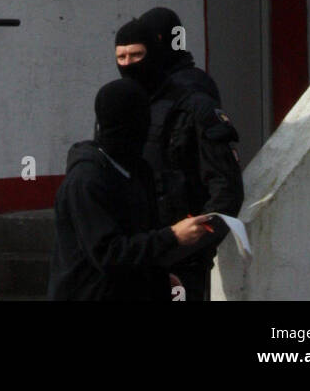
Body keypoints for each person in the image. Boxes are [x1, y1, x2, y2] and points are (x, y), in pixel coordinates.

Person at [116, 12, 244, 302]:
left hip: (182, 256)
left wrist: (194, 246)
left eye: (136, 55)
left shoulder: (193, 102)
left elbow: (226, 190)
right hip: (135, 252)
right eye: (121, 57)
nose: (127, 65)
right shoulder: (121, 103)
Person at [48, 79, 210, 301]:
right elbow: (109, 254)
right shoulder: (86, 180)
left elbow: (139, 235)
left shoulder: (138, 170)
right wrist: (173, 236)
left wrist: (157, 278)